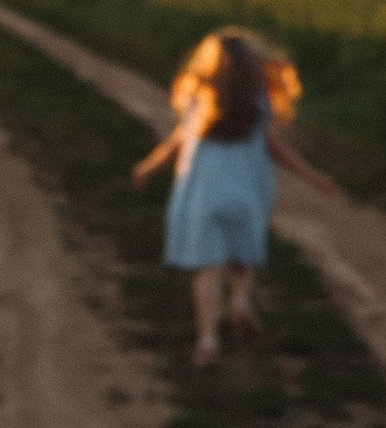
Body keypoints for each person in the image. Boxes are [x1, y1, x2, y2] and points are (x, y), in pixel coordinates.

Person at [131, 25, 337, 362]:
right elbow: (278, 150)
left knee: (208, 269)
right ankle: (240, 300)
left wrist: (148, 168)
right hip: (247, 197)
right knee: (242, 256)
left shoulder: (200, 100)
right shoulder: (259, 105)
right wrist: (313, 177)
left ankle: (208, 339)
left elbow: (174, 146)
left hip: (203, 198)